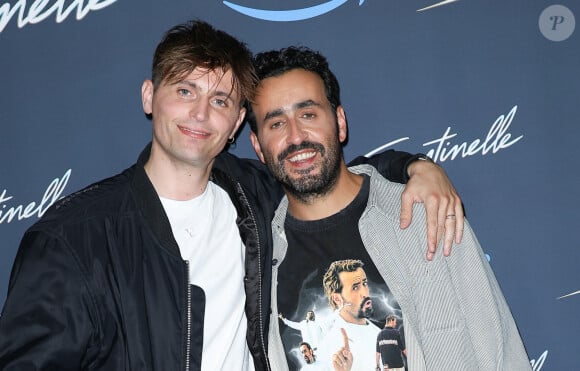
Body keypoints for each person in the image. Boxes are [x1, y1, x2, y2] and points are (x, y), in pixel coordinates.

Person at [0, 21, 463, 371]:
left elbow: (322, 166)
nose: (200, 113)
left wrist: (414, 167)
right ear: (149, 97)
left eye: (220, 100)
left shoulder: (254, 194)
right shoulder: (73, 239)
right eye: (185, 91)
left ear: (237, 122)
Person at [246, 46, 532, 370]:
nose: (296, 136)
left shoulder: (428, 214)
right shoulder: (255, 259)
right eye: (276, 124)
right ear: (258, 145)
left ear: (340, 122)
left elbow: (501, 351)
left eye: (308, 114)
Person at [317, 260, 382, 371]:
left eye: (364, 284)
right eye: (355, 288)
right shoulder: (330, 346)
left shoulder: (378, 332)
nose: (365, 293)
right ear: (337, 299)